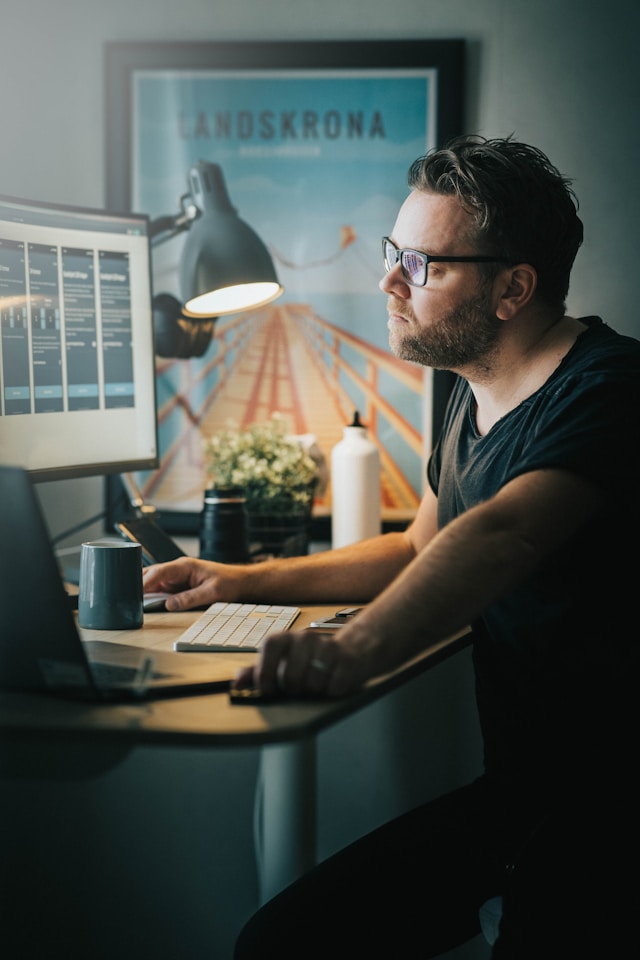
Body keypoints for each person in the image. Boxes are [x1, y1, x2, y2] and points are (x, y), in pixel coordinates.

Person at [142, 135, 640, 958]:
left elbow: (506, 531)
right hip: (525, 794)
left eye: (424, 265)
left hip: (606, 810)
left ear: (514, 287)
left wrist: (356, 651)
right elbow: (418, 548)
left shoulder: (612, 389)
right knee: (279, 944)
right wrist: (240, 580)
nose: (387, 283)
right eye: (392, 254)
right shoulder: (471, 386)